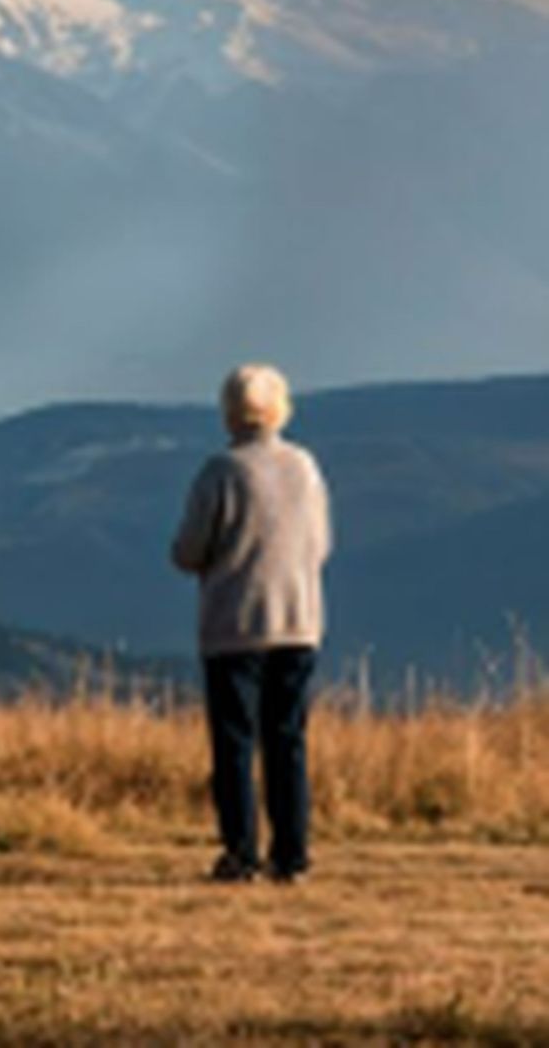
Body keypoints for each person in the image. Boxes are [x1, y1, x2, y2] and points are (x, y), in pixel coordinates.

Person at [171, 363, 331, 884]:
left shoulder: (220, 471)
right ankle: (293, 854)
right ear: (281, 408)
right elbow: (321, 543)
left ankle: (241, 853)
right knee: (288, 740)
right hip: (298, 620)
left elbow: (190, 550)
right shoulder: (305, 467)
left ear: (228, 413)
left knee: (235, 743)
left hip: (234, 626)